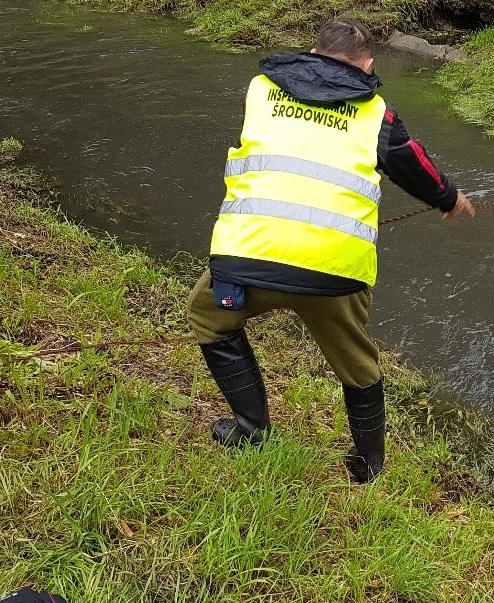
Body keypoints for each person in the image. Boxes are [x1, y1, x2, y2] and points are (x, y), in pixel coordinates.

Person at [186, 19, 474, 483]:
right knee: (359, 368)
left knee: (208, 318)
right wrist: (449, 199)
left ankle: (251, 428)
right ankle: (367, 466)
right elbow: (410, 160)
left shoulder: (259, 89)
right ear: (367, 64)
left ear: (314, 51)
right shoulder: (376, 113)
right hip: (332, 272)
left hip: (246, 257)